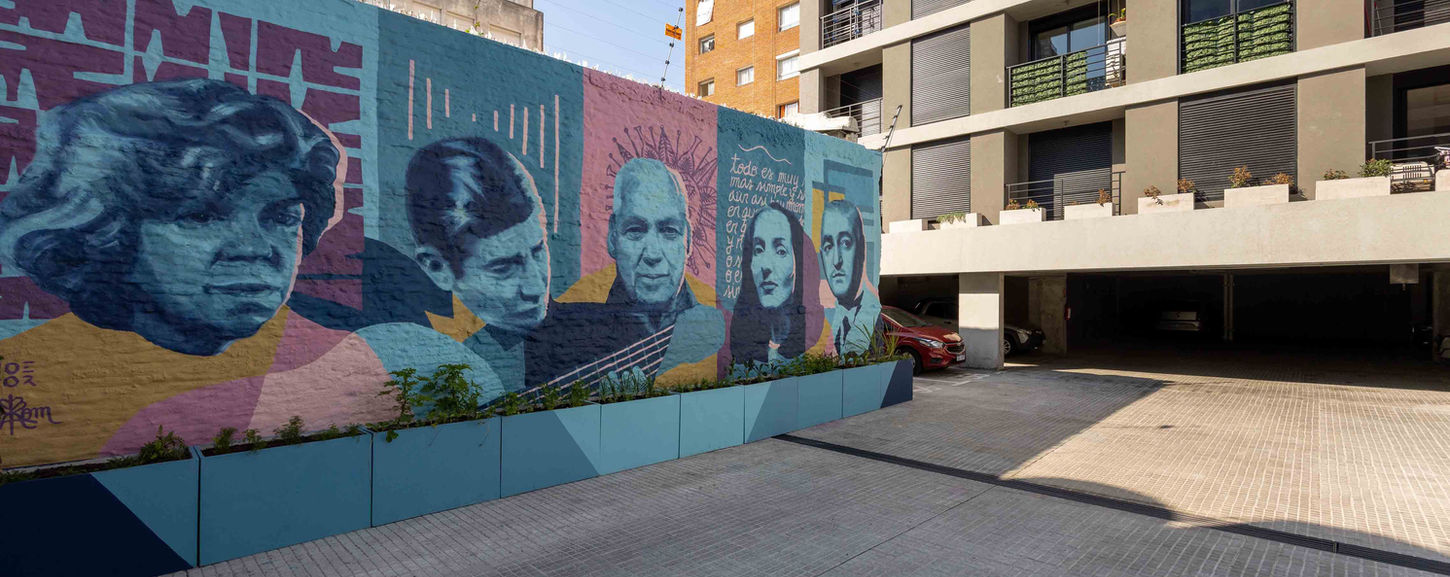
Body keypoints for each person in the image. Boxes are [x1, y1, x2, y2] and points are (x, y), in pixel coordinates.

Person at [0, 78, 392, 466]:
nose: (256, 248)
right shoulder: (38, 366)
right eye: (202, 216)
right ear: (104, 233)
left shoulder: (343, 357)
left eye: (282, 217)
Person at [365, 137, 552, 394]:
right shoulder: (410, 349)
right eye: (503, 268)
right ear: (437, 268)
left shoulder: (590, 327)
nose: (535, 287)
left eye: (538, 251)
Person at [526, 158, 723, 389]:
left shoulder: (720, 321)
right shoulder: (562, 331)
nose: (652, 254)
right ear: (612, 238)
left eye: (669, 230)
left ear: (688, 240)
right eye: (635, 230)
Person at [729, 202, 809, 366]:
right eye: (758, 250)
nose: (766, 266)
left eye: (781, 251)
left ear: (797, 262)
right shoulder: (740, 341)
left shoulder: (811, 335)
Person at [819, 199, 880, 355]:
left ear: (861, 248)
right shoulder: (836, 317)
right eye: (828, 246)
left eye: (845, 243)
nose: (836, 261)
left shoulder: (873, 313)